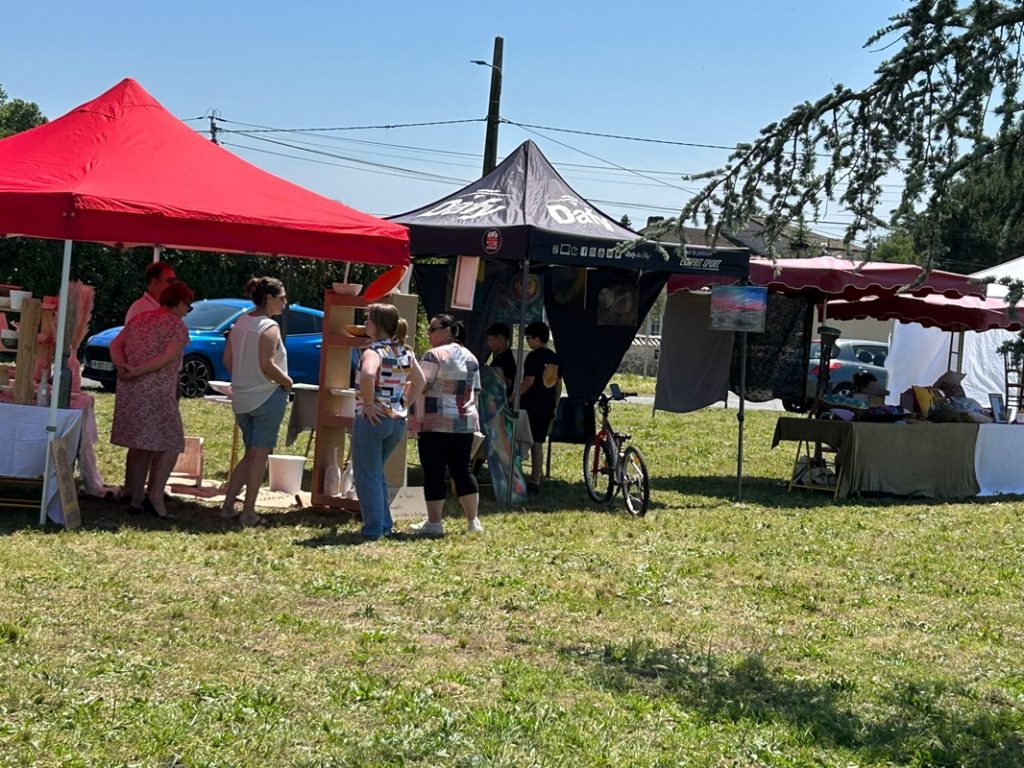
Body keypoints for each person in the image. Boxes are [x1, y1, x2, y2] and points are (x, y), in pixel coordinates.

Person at [109, 281, 194, 518]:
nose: (188, 310)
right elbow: (168, 357)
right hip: (156, 390)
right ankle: (154, 496)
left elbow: (115, 344)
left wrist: (123, 367)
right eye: (188, 305)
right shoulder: (175, 325)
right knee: (173, 442)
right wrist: (139, 371)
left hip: (130, 389)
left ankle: (135, 499)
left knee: (139, 445)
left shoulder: (140, 318)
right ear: (177, 303)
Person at [220, 277, 293, 526]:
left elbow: (228, 361)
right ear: (269, 299)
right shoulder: (268, 327)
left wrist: (244, 377)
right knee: (259, 455)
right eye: (282, 297)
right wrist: (287, 382)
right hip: (265, 397)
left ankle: (228, 506)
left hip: (241, 398)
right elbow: (267, 364)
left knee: (251, 454)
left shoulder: (240, 322)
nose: (285, 302)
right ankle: (248, 512)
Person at [352, 304, 425, 540]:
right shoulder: (404, 351)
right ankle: (384, 523)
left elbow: (368, 375)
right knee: (376, 472)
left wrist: (370, 403)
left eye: (368, 320)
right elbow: (420, 382)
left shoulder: (373, 352)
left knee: (367, 474)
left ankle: (373, 528)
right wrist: (404, 404)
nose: (365, 324)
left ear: (378, 324)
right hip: (396, 422)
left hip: (373, 419)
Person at [409, 314, 484, 536]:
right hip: (465, 422)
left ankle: (434, 523)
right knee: (462, 470)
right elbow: (476, 390)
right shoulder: (471, 357)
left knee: (434, 471)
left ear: (447, 331)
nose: (428, 334)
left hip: (436, 423)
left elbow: (420, 384)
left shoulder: (433, 355)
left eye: (432, 329)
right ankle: (473, 521)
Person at [519, 321, 561, 495]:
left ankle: (528, 478)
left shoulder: (533, 357)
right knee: (538, 443)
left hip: (531, 405)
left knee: (525, 440)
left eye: (529, 338)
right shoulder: (555, 357)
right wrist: (555, 404)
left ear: (537, 338)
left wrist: (513, 397)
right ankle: (536, 478)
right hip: (547, 404)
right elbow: (558, 383)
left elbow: (528, 382)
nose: (527, 342)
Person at [485, 322, 517, 402]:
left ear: (500, 339)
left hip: (498, 403)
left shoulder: (507, 359)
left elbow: (507, 383)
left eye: (490, 339)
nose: (488, 343)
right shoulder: (493, 355)